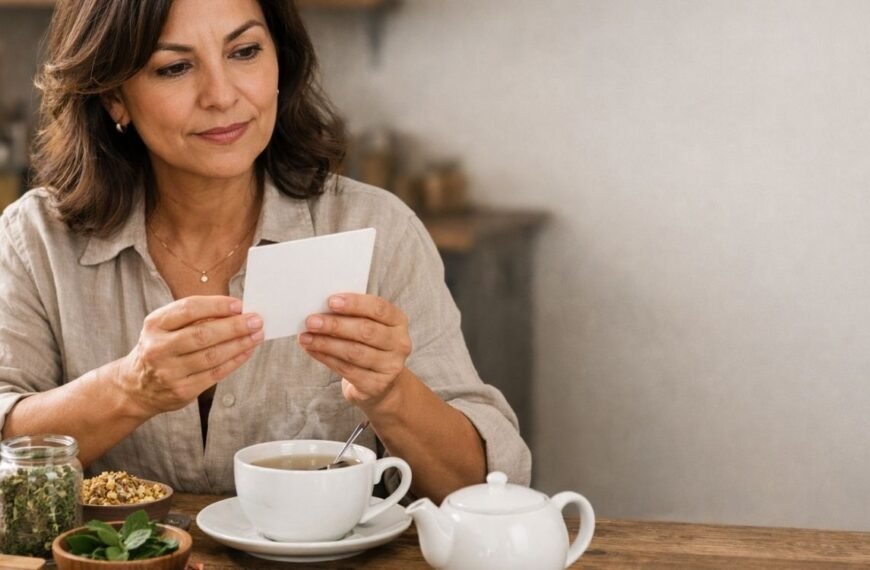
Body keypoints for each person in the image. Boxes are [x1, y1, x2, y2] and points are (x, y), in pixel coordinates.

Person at [0, 0, 530, 501]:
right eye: (174, 68)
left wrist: (390, 393)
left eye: (245, 52)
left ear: (281, 60)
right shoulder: (36, 239)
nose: (222, 95)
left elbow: (483, 488)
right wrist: (128, 389)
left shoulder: (379, 229)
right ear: (115, 96)